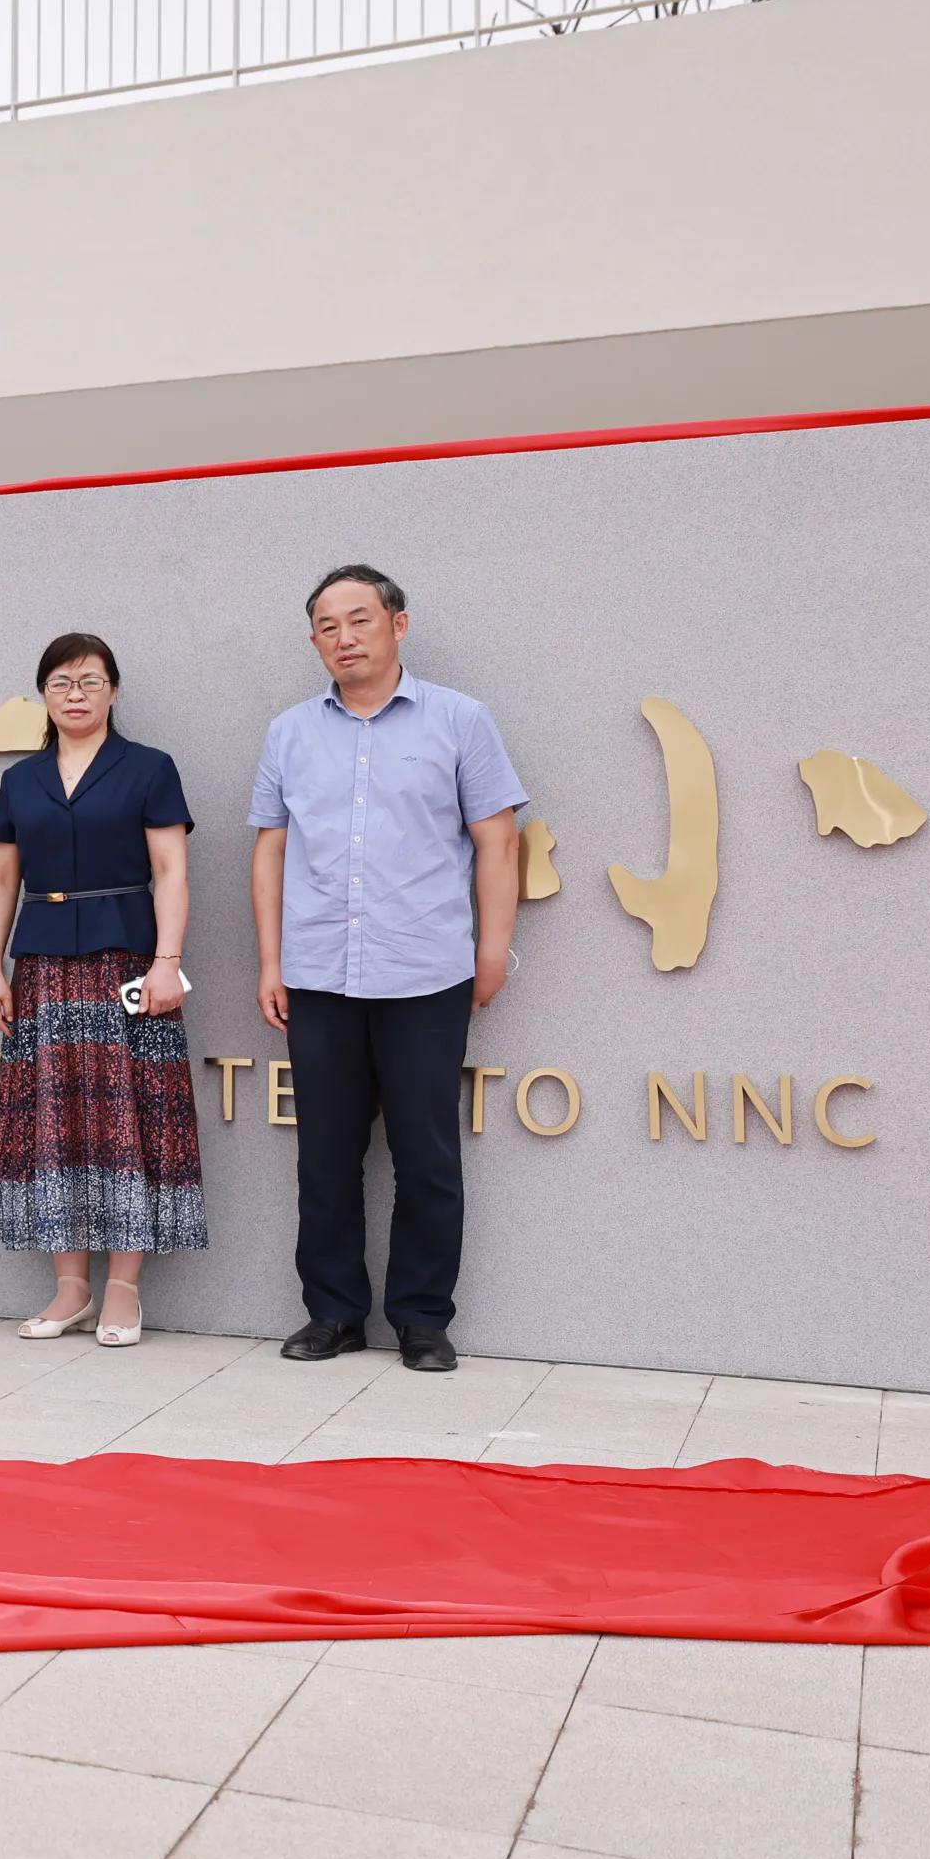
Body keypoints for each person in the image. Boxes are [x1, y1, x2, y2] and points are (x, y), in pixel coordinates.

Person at [246, 563, 525, 1374]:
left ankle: (422, 1320)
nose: (345, 637)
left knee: (426, 1155)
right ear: (314, 642)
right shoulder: (289, 733)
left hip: (426, 970)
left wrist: (491, 949)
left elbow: (497, 841)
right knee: (324, 1156)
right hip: (318, 973)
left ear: (398, 625)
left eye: (360, 620)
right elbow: (269, 850)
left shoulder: (460, 721)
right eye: (328, 627)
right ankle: (332, 1314)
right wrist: (272, 959)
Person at [0, 633, 204, 1348]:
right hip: (41, 963)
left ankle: (123, 1290)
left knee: (127, 1117)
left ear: (113, 690)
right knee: (54, 1115)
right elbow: (1, 879)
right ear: (42, 694)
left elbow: (170, 870)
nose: (75, 694)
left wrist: (168, 961)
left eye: (89, 681)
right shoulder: (21, 780)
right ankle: (70, 1289)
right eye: (60, 683)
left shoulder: (148, 769)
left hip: (128, 959)